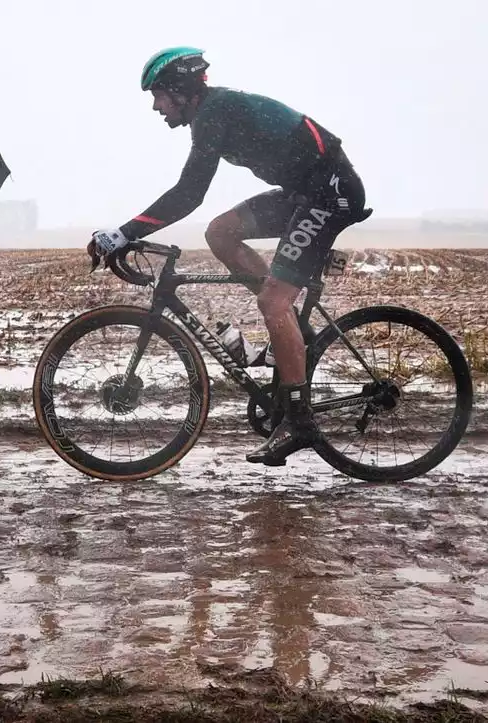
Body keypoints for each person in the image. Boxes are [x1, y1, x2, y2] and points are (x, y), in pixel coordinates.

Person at [88, 47, 370, 467]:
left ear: (181, 90)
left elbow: (189, 193)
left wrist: (125, 232)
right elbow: (194, 197)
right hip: (302, 192)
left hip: (330, 191)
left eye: (159, 95)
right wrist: (128, 232)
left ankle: (299, 422)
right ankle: (290, 336)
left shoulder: (216, 112)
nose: (155, 106)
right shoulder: (212, 114)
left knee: (272, 301)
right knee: (221, 232)